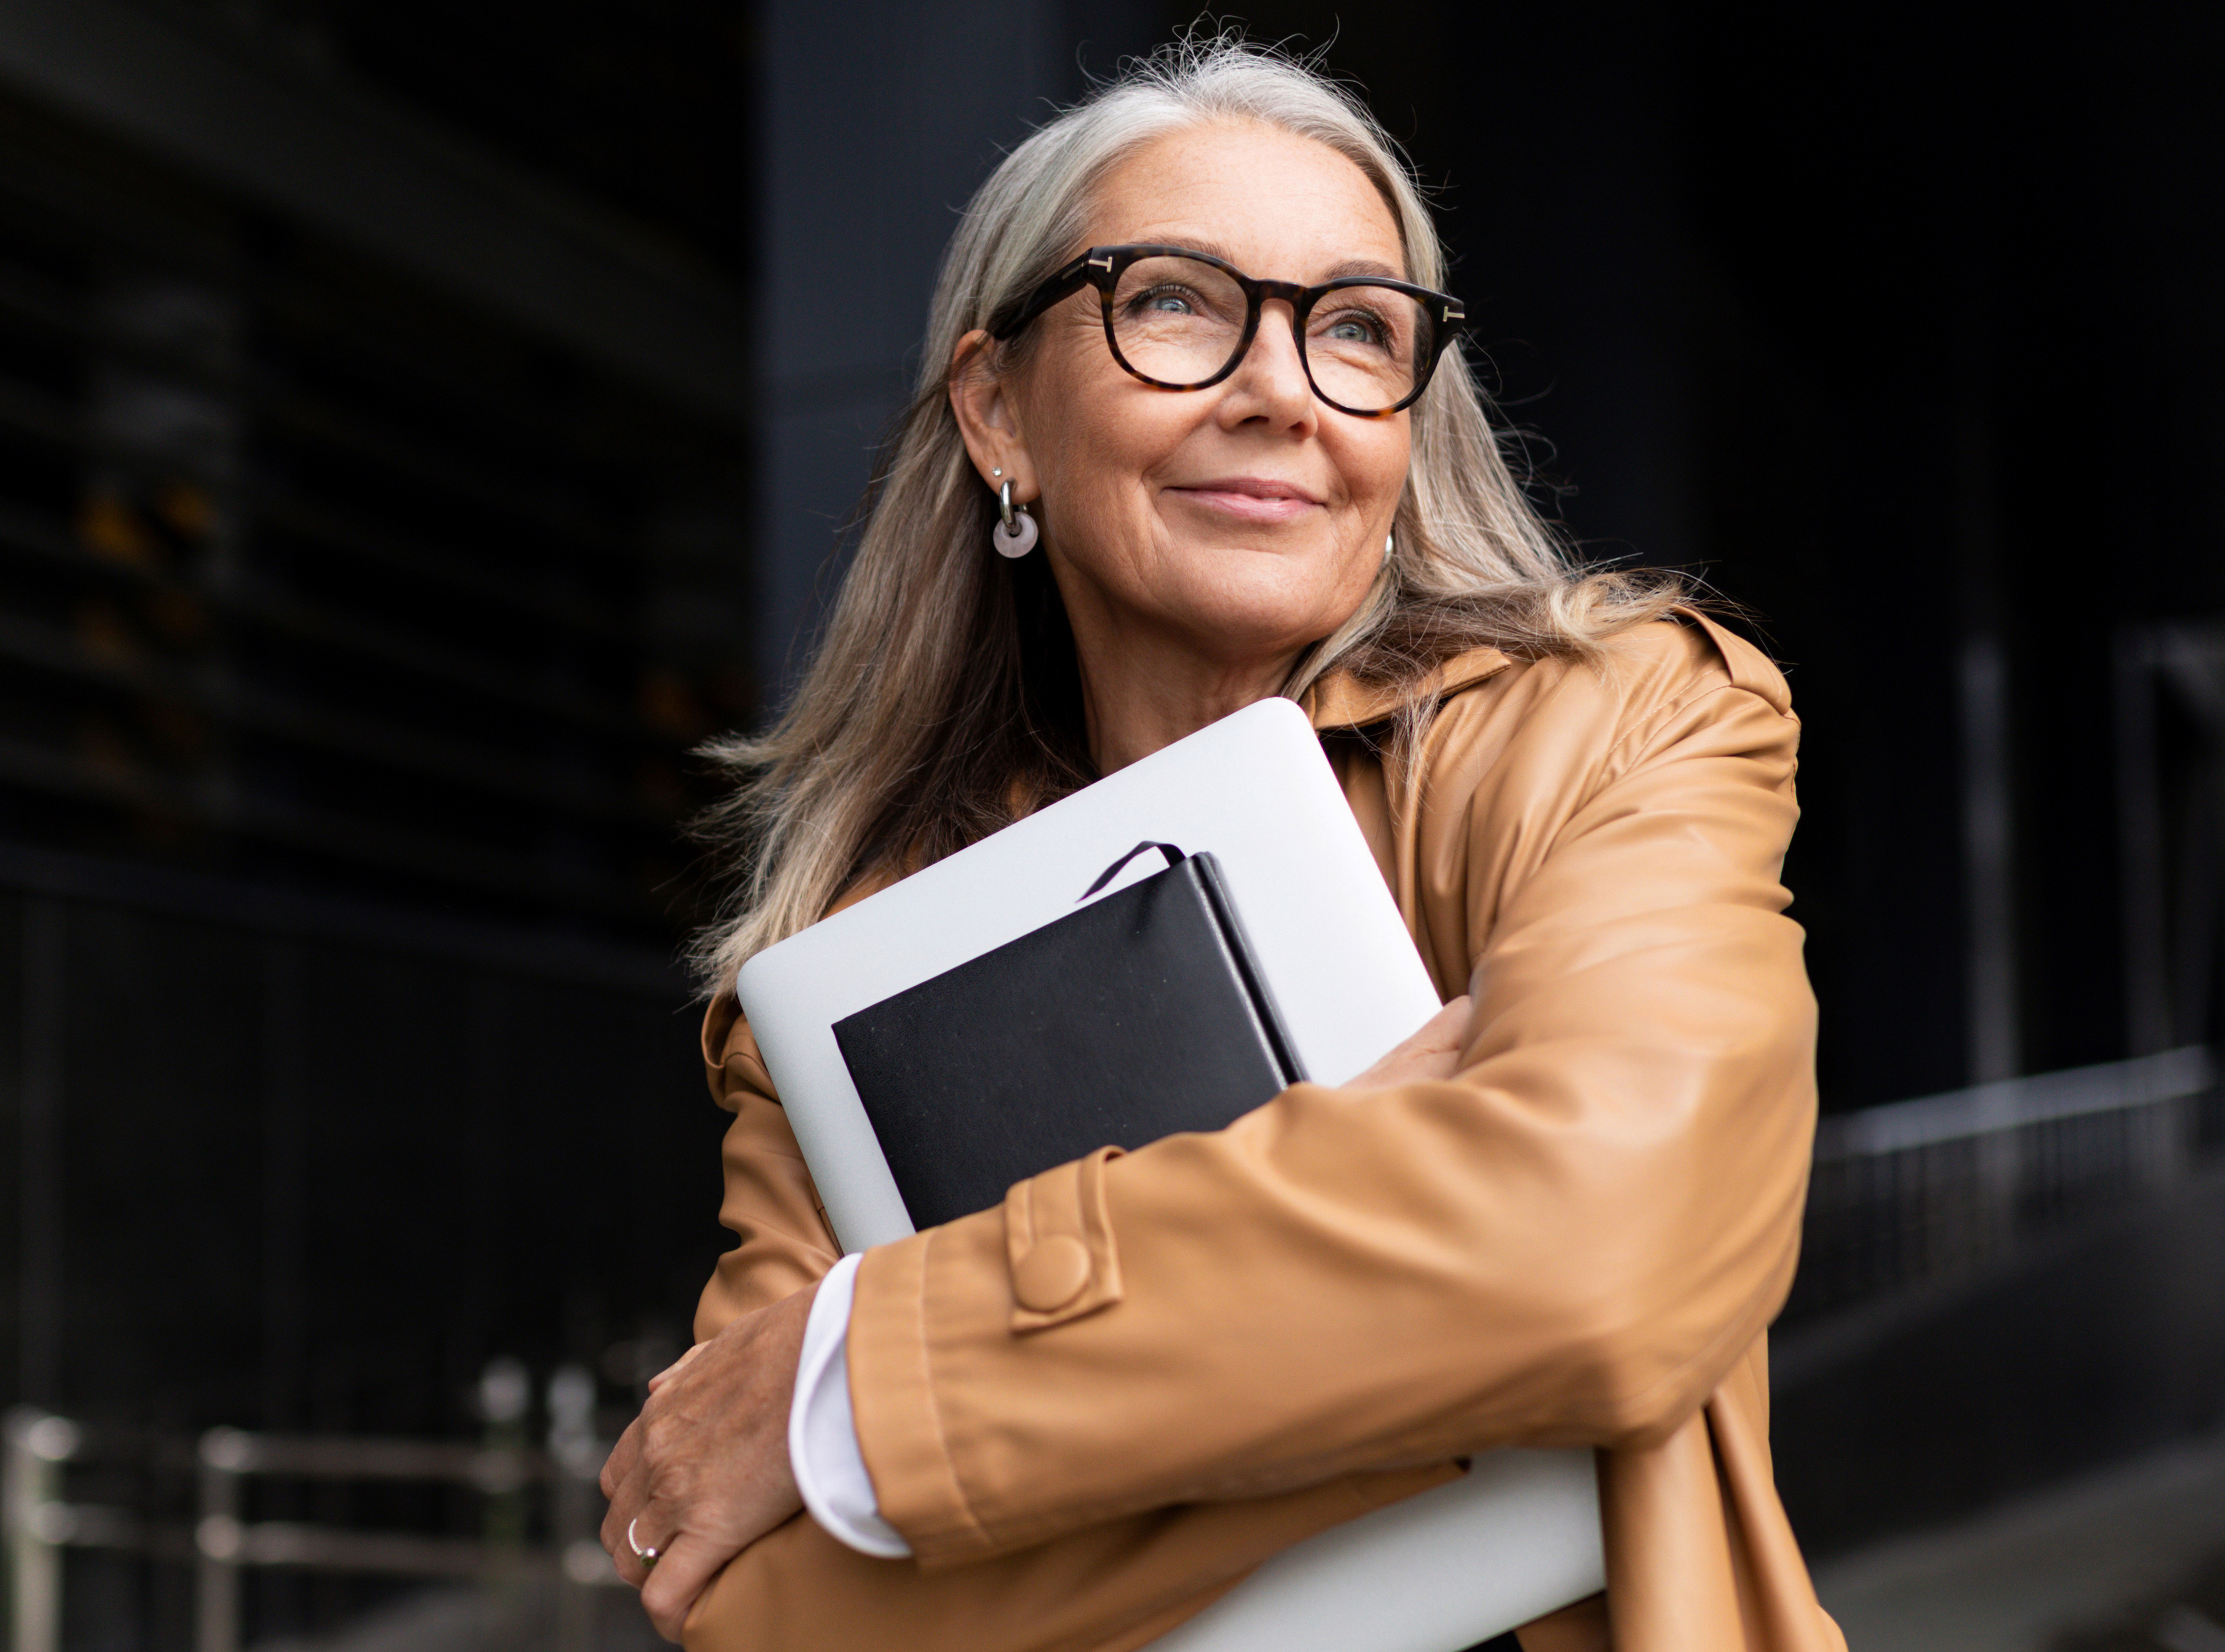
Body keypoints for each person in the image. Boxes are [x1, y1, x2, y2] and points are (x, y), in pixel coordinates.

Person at [602, 39, 1842, 1652]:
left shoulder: (1616, 727)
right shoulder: (849, 967)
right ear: (996, 411)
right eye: (1175, 301)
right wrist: (1396, 1255)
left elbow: (1597, 1259)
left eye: (1353, 329)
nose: (1279, 389)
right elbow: (767, 1605)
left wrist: (869, 1386)